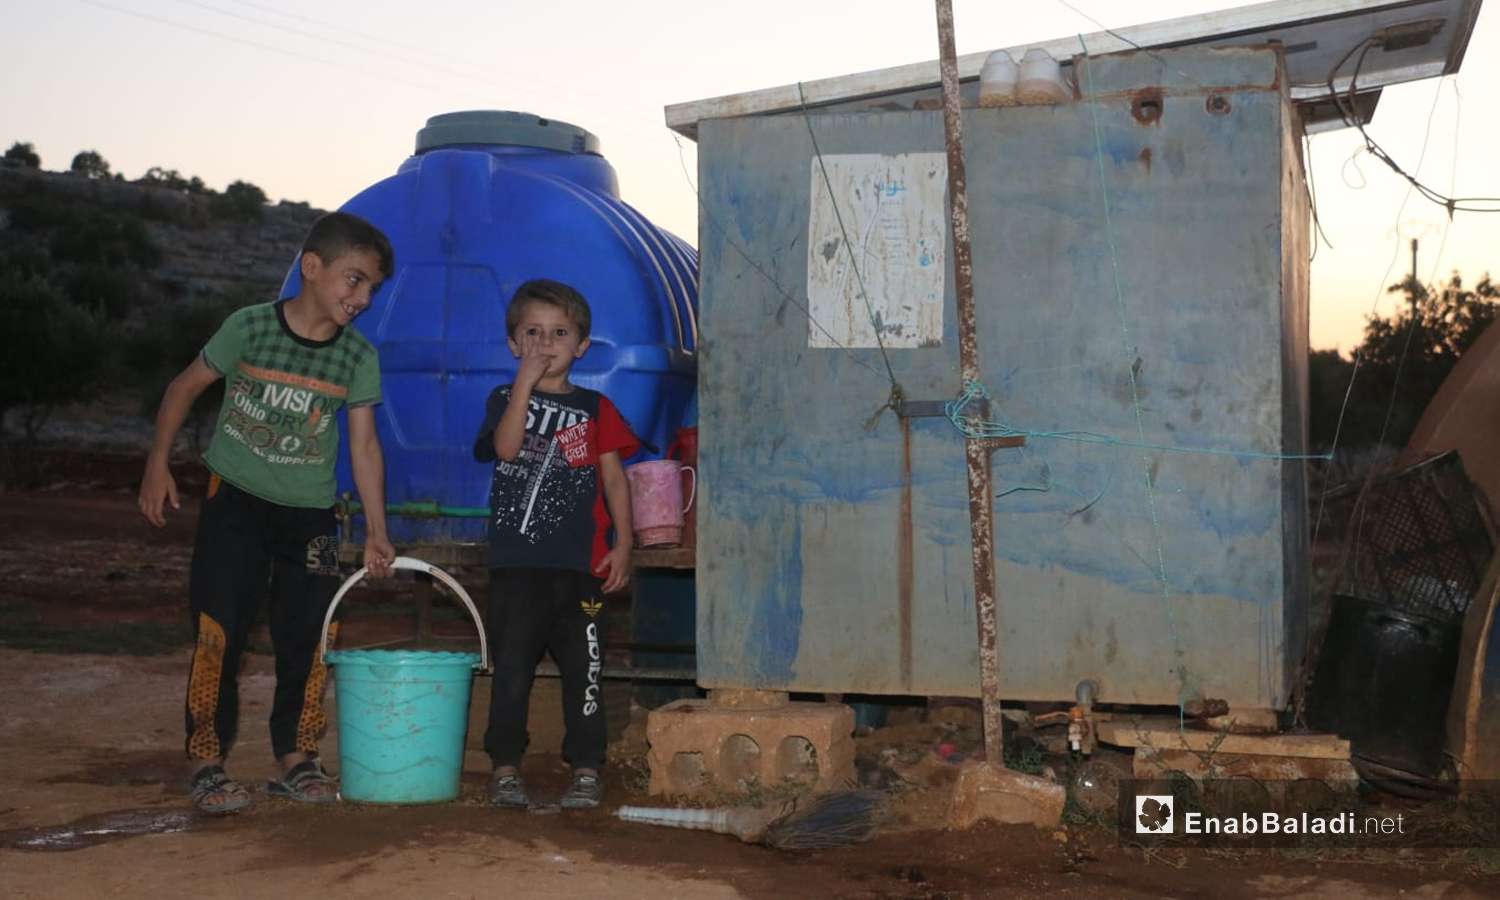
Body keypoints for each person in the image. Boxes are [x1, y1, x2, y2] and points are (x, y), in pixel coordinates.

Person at [138, 211, 398, 813]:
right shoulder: (249, 328)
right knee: (219, 632)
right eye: (353, 280)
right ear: (312, 268)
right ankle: (207, 761)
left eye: (372, 288)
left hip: (310, 517)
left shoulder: (358, 357)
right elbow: (183, 387)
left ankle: (294, 757)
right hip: (234, 504)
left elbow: (363, 446)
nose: (361, 298)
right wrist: (157, 463)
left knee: (308, 637)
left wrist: (378, 530)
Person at [473, 278, 640, 810]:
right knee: (513, 670)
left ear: (581, 346)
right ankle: (504, 767)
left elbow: (615, 479)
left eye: (560, 333)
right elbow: (505, 448)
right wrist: (523, 385)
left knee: (584, 671)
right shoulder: (503, 398)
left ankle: (587, 767)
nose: (546, 344)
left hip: (581, 567)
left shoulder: (595, 408)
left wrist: (625, 543)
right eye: (533, 332)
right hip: (517, 566)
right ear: (513, 343)